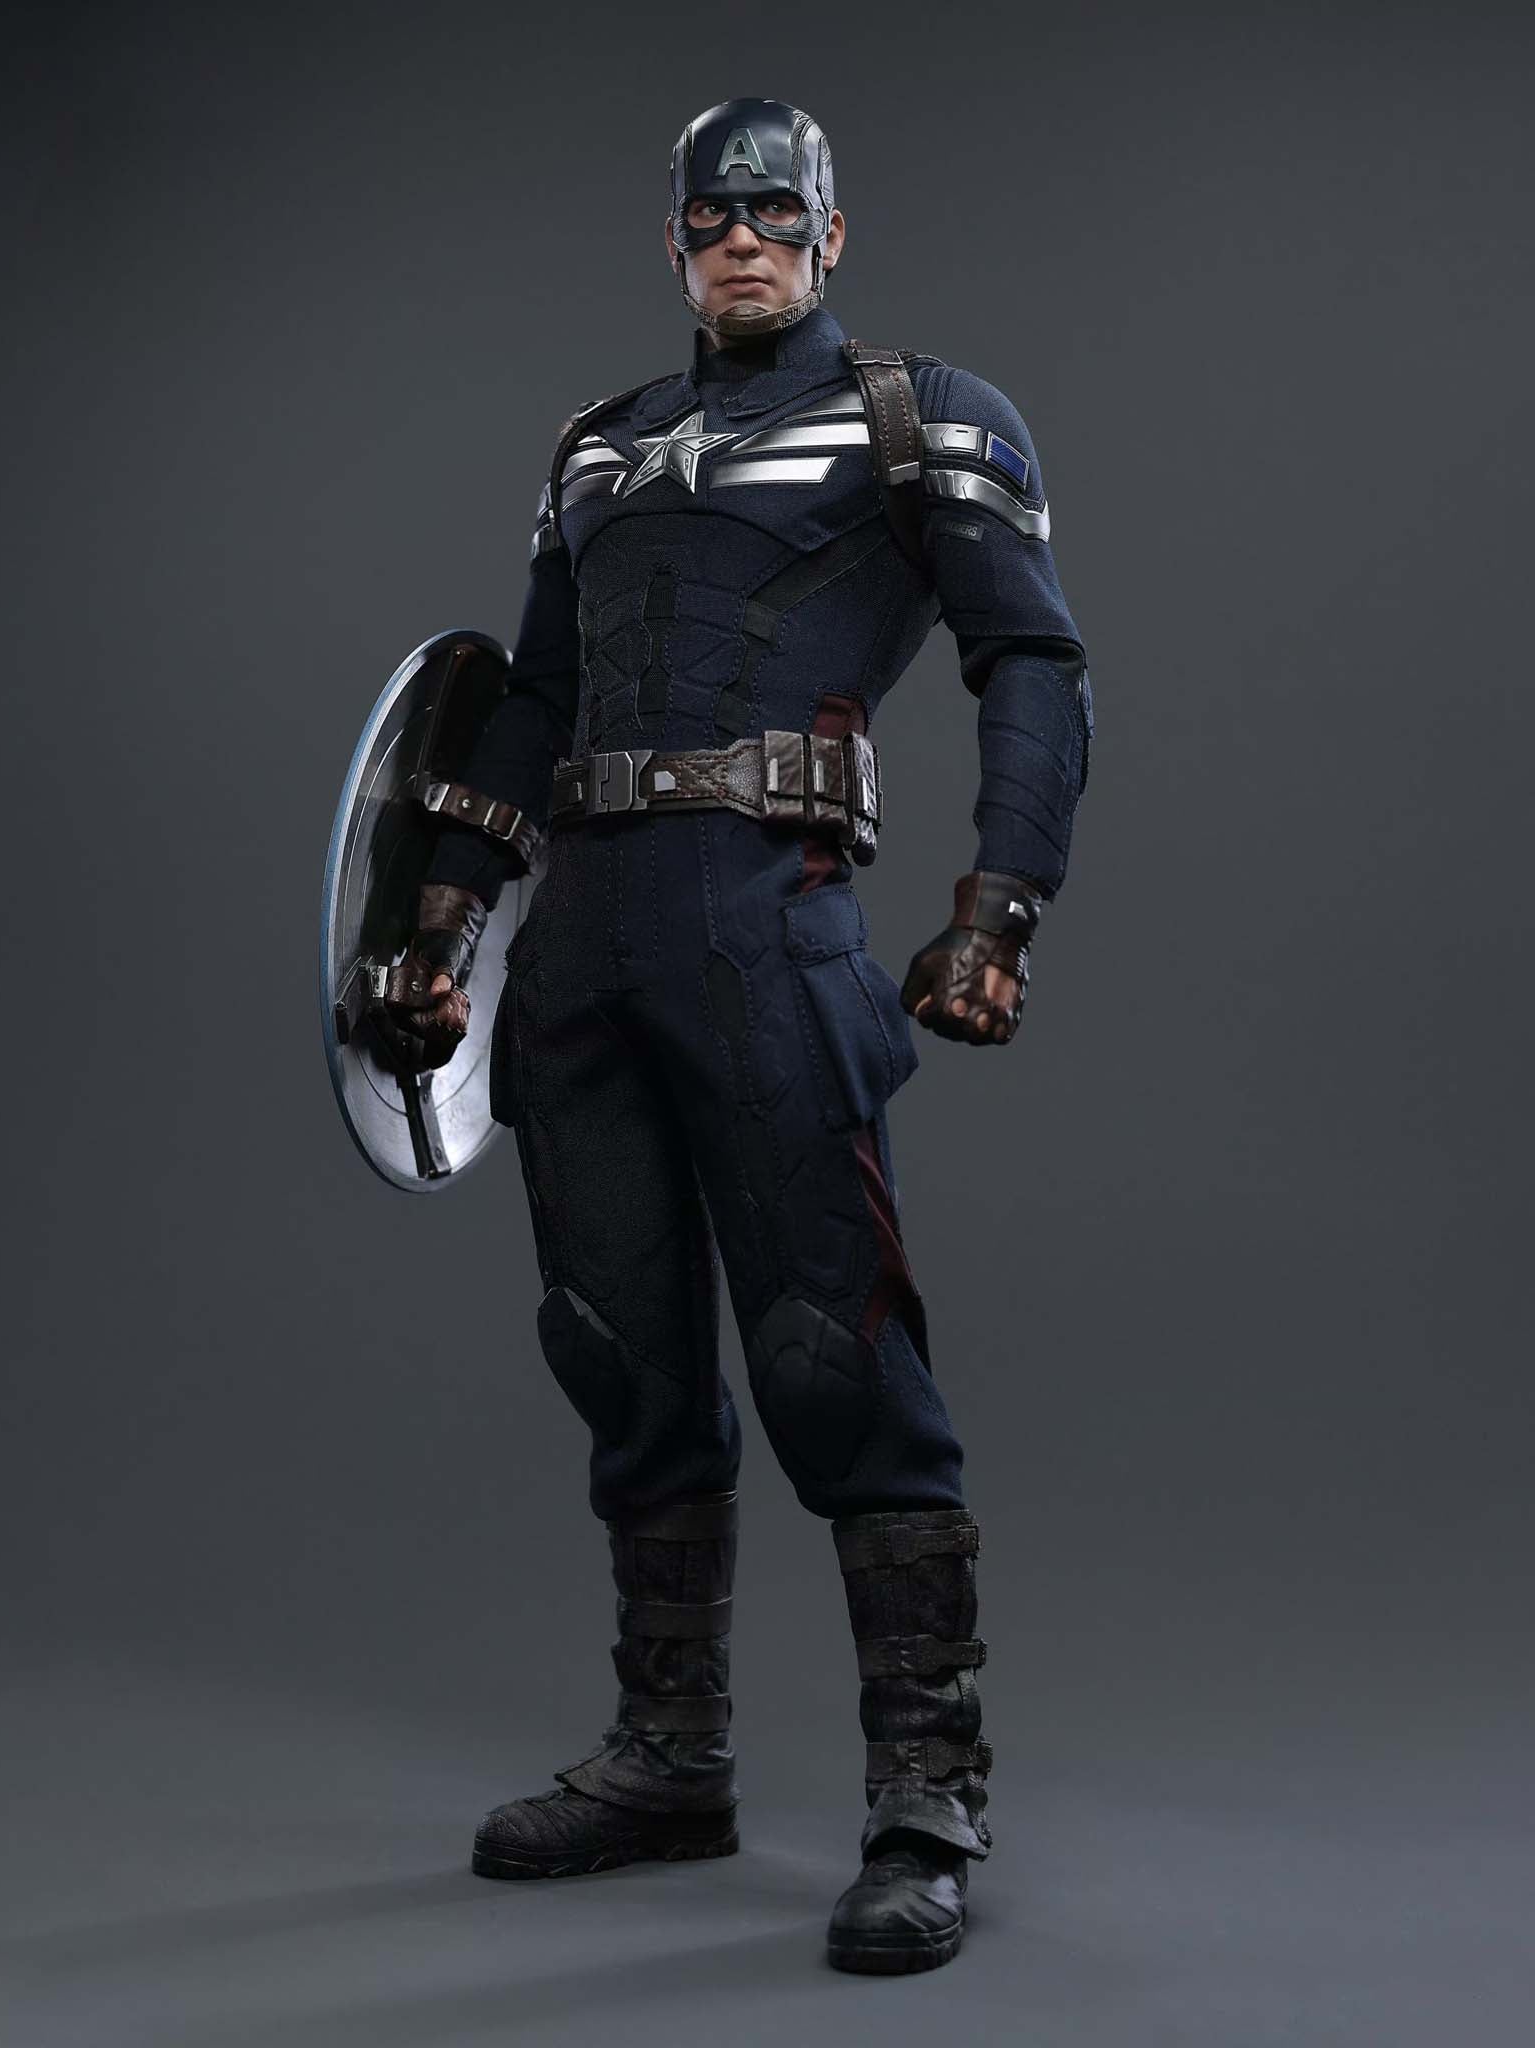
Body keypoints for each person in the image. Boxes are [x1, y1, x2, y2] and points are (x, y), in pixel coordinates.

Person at [387, 97, 1091, 1975]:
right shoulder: (597, 445)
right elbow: (530, 699)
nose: (745, 244)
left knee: (826, 1349)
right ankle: (668, 1758)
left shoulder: (918, 417)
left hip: (768, 927)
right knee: (617, 1347)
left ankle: (923, 1795)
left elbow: (1031, 661)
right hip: (583, 947)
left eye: (778, 216)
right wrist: (437, 926)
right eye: (713, 218)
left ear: (832, 234)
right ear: (676, 239)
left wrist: (996, 911)